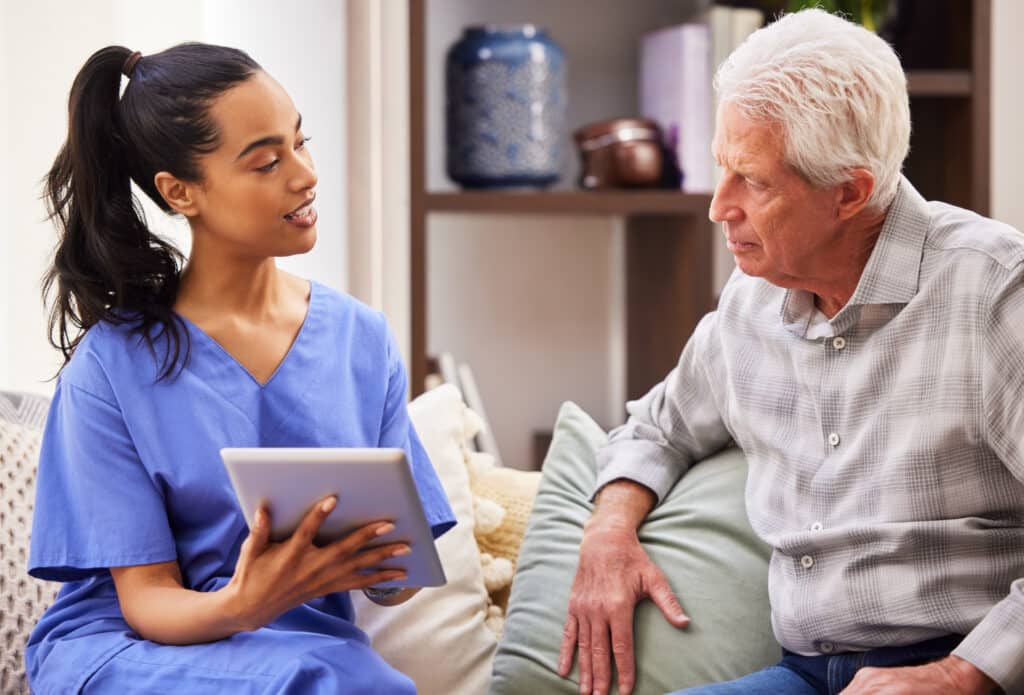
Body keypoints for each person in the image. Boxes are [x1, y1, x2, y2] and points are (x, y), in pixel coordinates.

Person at [559, 9, 1023, 695]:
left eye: (754, 180)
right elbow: (655, 428)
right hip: (802, 675)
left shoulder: (993, 289)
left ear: (850, 192)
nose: (719, 207)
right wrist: (608, 529)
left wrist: (968, 672)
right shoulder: (749, 305)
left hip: (957, 670)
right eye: (723, 169)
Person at [26, 42, 454, 694]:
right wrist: (244, 603)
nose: (305, 174)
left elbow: (396, 581)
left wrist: (379, 562)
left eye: (301, 142)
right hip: (128, 647)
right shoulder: (111, 364)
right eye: (266, 161)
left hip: (301, 649)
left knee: (359, 681)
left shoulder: (359, 340)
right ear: (180, 192)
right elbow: (145, 599)